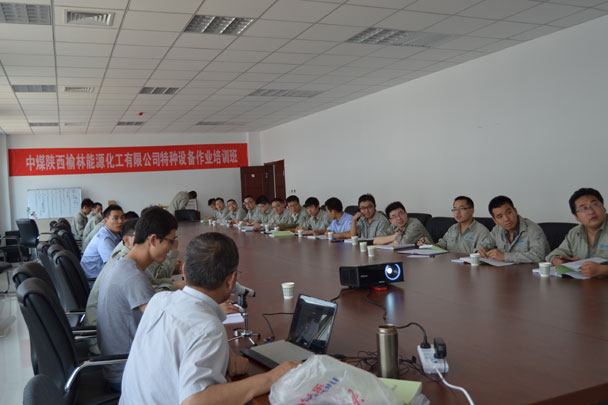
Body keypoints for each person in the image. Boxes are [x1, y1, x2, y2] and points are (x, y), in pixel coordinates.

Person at [119, 232, 298, 405]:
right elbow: (195, 401)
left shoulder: (160, 300)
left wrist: (225, 354)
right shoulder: (207, 327)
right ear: (231, 280)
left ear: (184, 270)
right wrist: (272, 377)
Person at [97, 206, 179, 392]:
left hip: (121, 364)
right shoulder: (133, 276)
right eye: (171, 241)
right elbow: (165, 325)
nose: (172, 247)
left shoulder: (121, 264)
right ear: (153, 239)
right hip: (128, 373)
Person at [546, 188, 608, 278]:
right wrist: (558, 261)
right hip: (582, 284)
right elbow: (554, 254)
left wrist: (603, 270)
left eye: (595, 205)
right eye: (583, 208)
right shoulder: (574, 233)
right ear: (576, 217)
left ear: (604, 208)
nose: (591, 212)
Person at [477, 196, 549, 263]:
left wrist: (505, 256)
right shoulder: (497, 229)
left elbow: (538, 256)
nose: (506, 219)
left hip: (531, 271)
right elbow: (483, 245)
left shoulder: (533, 229)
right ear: (495, 220)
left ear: (515, 211)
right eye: (500, 216)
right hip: (506, 270)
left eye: (509, 212)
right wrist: (480, 251)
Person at [420, 196, 490, 253]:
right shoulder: (453, 228)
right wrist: (427, 245)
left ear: (472, 210)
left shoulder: (482, 232)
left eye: (461, 208)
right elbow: (441, 246)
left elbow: (480, 254)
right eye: (455, 209)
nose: (457, 212)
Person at [80, 205, 125, 279]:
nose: (120, 221)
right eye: (115, 218)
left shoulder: (113, 233)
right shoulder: (104, 239)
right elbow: (115, 266)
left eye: (122, 217)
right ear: (105, 220)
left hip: (100, 275)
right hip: (94, 280)